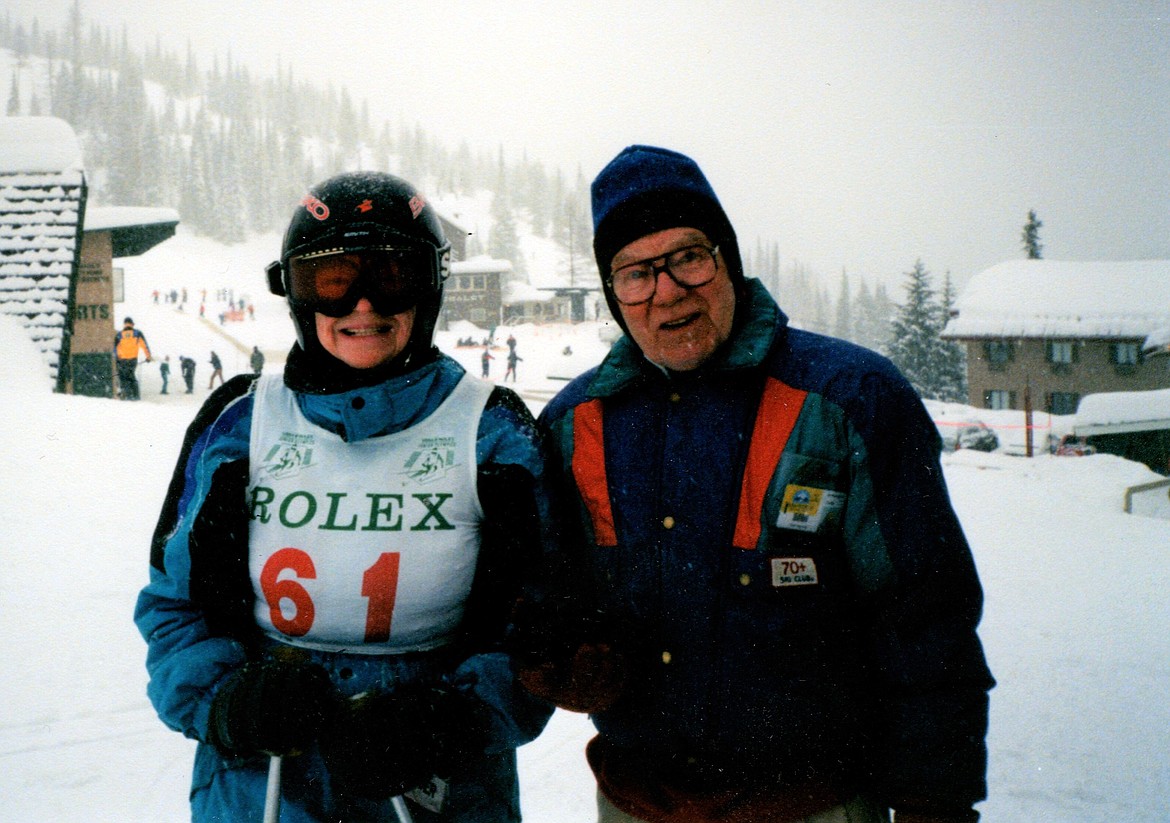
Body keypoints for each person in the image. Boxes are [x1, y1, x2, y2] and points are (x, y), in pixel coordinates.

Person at [512, 146, 995, 823]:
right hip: (636, 806)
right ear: (613, 293)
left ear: (727, 258)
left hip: (815, 807)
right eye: (635, 273)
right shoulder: (573, 423)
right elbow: (544, 596)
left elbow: (924, 618)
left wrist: (933, 803)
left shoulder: (850, 400)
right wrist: (555, 652)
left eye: (688, 256)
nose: (668, 290)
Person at [135, 171, 553, 823]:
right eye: (332, 281)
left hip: (435, 786)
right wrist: (226, 698)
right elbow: (174, 603)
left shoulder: (491, 432)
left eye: (391, 276)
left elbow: (539, 626)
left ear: (430, 286)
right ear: (296, 293)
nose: (362, 306)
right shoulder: (241, 422)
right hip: (264, 783)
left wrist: (453, 718)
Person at [114, 316, 151, 400]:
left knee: (123, 378)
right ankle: (135, 396)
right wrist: (148, 357)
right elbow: (145, 346)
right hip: (133, 360)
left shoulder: (119, 335)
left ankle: (126, 395)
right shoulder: (137, 333)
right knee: (131, 376)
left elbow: (115, 349)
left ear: (124, 324)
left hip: (122, 360)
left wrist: (117, 360)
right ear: (132, 324)